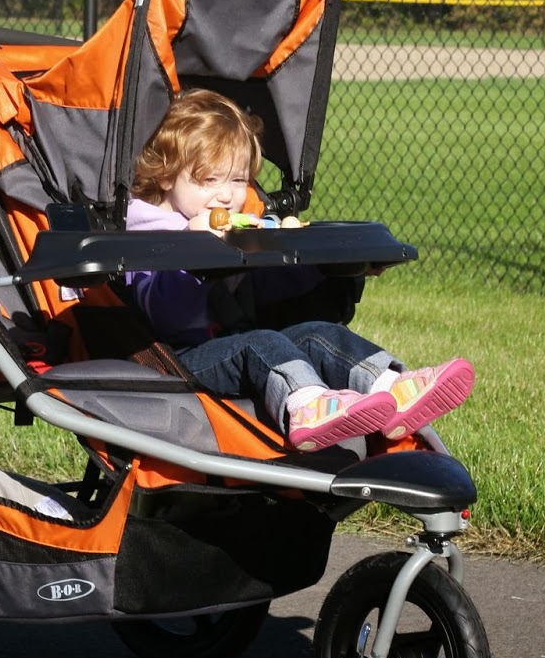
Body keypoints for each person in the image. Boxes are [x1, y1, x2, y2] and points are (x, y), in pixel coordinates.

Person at [125, 89, 475, 453]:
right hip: (180, 358)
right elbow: (167, 315)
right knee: (263, 342)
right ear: (166, 175)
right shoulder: (149, 235)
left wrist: (327, 267)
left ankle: (393, 387)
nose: (227, 196)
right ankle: (307, 406)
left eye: (238, 180)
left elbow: (264, 287)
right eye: (210, 180)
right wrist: (195, 253)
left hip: (239, 337)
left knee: (319, 333)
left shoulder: (235, 225)